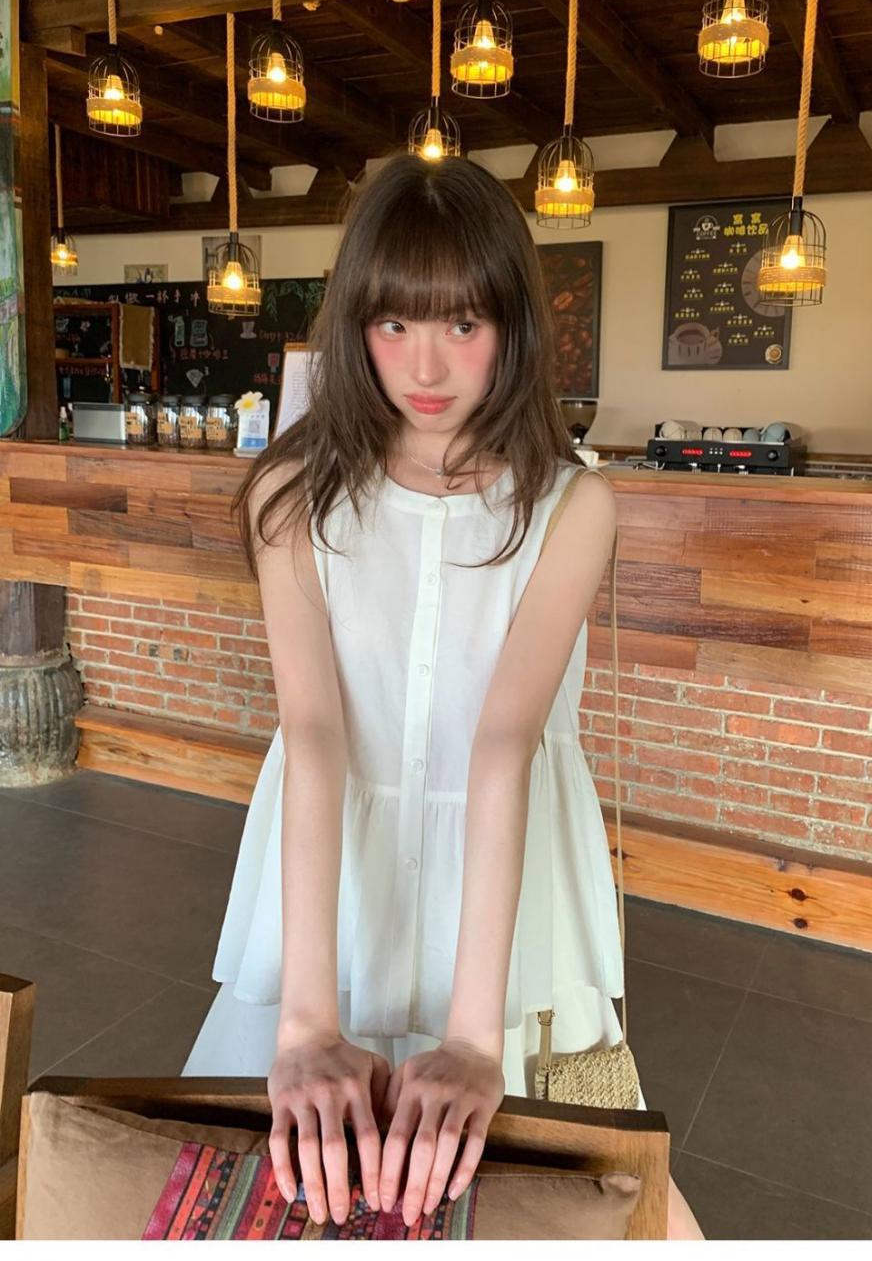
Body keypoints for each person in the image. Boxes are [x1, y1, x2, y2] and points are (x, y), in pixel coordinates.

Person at [181, 152, 703, 1241]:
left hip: (507, 878)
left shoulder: (570, 505)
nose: (426, 365)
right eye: (395, 324)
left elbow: (503, 744)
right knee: (296, 1183)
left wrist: (473, 1040)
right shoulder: (291, 493)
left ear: (513, 325)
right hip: (333, 866)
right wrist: (307, 1023)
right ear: (355, 326)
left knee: (540, 1200)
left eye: (463, 324)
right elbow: (314, 733)